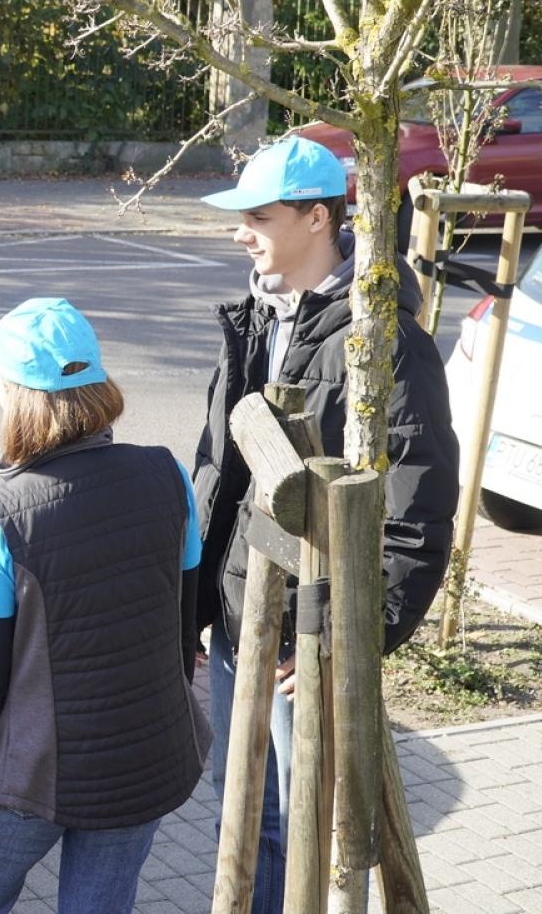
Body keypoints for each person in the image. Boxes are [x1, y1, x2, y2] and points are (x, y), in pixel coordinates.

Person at [193, 137, 460, 914]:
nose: (241, 232)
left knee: (304, 830)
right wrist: (197, 606)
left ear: (318, 218)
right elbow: (219, 474)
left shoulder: (383, 346)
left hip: (308, 636)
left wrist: (351, 636)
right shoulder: (254, 315)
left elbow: (416, 515)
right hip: (242, 622)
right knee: (241, 823)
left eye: (259, 217)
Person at [0, 298, 211, 914]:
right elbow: (184, 624)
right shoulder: (168, 475)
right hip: (145, 756)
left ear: (21, 396)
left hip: (35, 778)